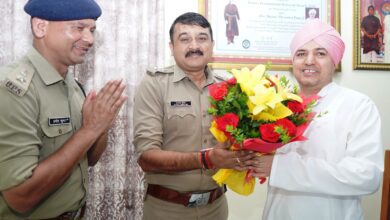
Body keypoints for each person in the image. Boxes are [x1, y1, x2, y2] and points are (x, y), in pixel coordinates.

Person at [0, 0, 128, 219]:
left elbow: (90, 159)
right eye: (79, 28)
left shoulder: (73, 85)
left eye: (92, 30)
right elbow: (20, 196)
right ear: (40, 27)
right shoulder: (14, 90)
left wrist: (100, 127)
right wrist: (89, 130)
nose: (89, 39)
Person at [251, 20, 384, 220]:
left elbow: (366, 176)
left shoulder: (358, 105)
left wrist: (280, 168)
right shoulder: (276, 105)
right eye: (301, 53)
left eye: (320, 53)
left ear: (335, 61)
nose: (309, 61)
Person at [133, 12, 256, 220]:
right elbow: (146, 158)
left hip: (216, 207)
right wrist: (206, 159)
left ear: (212, 45)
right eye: (184, 39)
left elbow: (241, 141)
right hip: (167, 209)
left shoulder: (229, 88)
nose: (194, 46)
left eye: (201, 38)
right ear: (171, 47)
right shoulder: (154, 84)